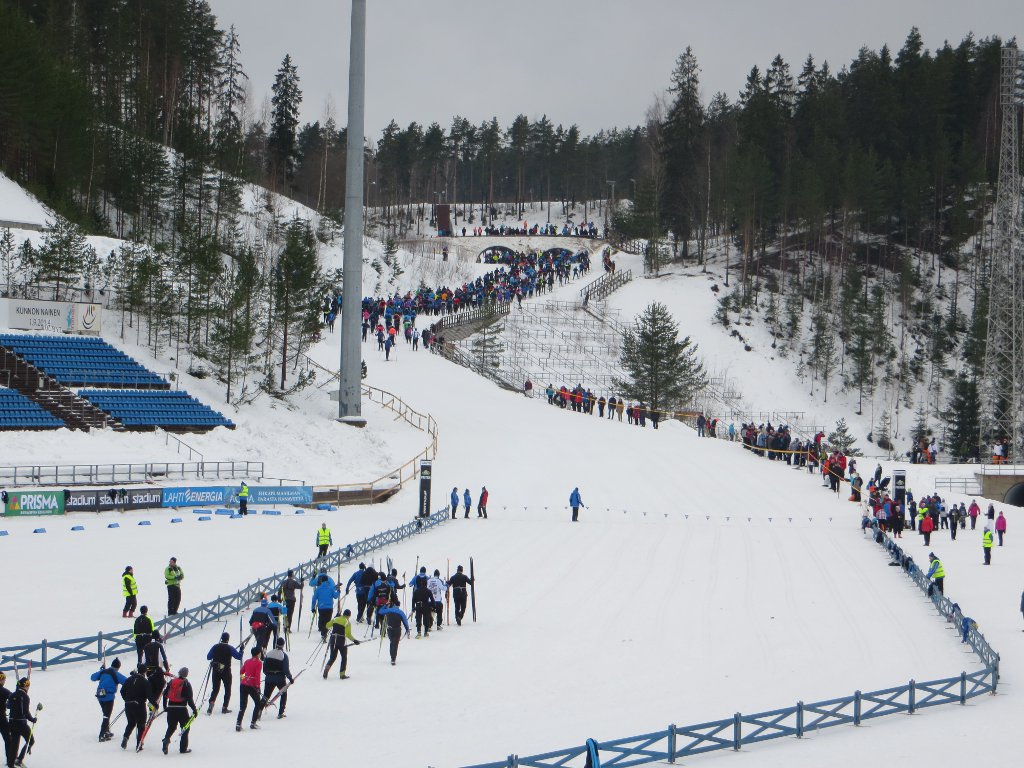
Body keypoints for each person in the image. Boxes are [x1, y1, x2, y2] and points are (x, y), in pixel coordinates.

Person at [161, 668, 198, 755]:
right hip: (181, 709)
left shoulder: (171, 682)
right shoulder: (186, 684)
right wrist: (194, 710)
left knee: (171, 727)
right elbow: (189, 699)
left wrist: (165, 706)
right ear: (186, 675)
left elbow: (165, 694)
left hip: (171, 708)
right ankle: (183, 749)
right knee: (185, 728)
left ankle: (166, 740)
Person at [90, 657, 127, 742]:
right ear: (118, 667)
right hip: (109, 697)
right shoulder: (116, 674)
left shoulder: (104, 671)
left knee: (106, 714)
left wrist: (101, 670)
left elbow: (92, 677)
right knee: (106, 716)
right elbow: (126, 681)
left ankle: (107, 731)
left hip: (100, 696)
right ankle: (102, 735)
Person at [206, 632, 243, 715]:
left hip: (216, 670)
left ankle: (211, 704)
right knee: (227, 689)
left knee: (215, 689)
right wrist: (241, 650)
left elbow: (208, 657)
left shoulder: (215, 647)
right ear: (228, 639)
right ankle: (224, 707)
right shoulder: (230, 648)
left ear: (221, 638)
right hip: (226, 671)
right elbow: (238, 657)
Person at [119, 664, 152, 750]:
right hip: (139, 705)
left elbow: (122, 691)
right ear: (145, 671)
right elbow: (149, 696)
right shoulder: (145, 681)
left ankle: (125, 737)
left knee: (131, 723)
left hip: (128, 704)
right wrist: (155, 705)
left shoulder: (129, 679)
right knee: (141, 725)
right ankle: (139, 744)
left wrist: (126, 699)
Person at [323, 609, 361, 679]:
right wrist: (355, 640)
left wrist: (334, 618)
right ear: (349, 616)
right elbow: (348, 634)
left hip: (333, 640)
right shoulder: (347, 622)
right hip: (341, 641)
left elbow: (327, 626)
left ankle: (326, 669)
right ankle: (342, 674)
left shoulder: (336, 619)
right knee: (344, 657)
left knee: (332, 657)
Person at [261, 638, 293, 719]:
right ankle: (280, 712)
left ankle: (258, 711)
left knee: (265, 696)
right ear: (283, 645)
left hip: (269, 678)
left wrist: (268, 674)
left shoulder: (269, 654)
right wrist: (290, 678)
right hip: (280, 678)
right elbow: (285, 669)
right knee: (283, 694)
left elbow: (264, 668)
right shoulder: (283, 655)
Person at [7, 678, 36, 768]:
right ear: (25, 686)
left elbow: (8, 706)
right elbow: (25, 712)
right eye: (28, 685)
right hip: (21, 724)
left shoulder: (12, 695)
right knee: (30, 740)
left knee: (15, 744)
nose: (28, 687)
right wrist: (32, 719)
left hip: (11, 723)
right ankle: (19, 760)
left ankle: (11, 764)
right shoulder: (25, 697)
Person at [376, 599, 411, 666]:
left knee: (392, 642)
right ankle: (393, 658)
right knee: (395, 644)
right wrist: (407, 630)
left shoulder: (388, 610)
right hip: (397, 629)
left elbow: (380, 611)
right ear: (398, 606)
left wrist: (385, 605)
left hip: (390, 629)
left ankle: (392, 657)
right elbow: (405, 622)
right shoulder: (401, 612)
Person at [236, 647, 263, 731]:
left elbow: (241, 672)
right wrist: (258, 687)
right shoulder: (259, 663)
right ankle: (253, 723)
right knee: (258, 704)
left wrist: (243, 679)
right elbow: (257, 676)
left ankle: (238, 724)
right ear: (258, 654)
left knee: (242, 706)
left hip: (244, 685)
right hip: (252, 686)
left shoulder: (247, 661)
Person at [143, 631, 170, 706]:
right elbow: (163, 658)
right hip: (157, 670)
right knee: (161, 685)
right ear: (158, 637)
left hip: (148, 671)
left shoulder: (146, 646)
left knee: (152, 687)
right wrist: (167, 668)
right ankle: (152, 703)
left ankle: (151, 703)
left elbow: (143, 660)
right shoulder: (159, 645)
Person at [312, 574, 340, 640]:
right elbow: (335, 596)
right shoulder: (331, 588)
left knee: (322, 620)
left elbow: (314, 599)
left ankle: (323, 633)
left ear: (321, 581)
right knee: (328, 621)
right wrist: (338, 591)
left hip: (321, 607)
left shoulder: (318, 589)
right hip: (329, 607)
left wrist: (313, 608)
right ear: (327, 580)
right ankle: (324, 633)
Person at [0, 671, 10, 763]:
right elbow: (14, 698)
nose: (5, 681)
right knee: (7, 738)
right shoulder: (4, 691)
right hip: (1, 718)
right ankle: (10, 760)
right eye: (4, 679)